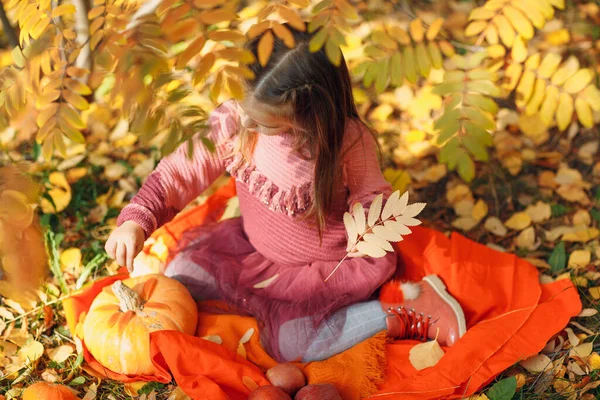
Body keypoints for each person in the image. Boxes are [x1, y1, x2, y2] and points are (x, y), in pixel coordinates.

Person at [105, 23, 466, 363]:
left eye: (264, 122)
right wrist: (137, 220)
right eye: (246, 106)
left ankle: (406, 310)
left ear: (310, 114)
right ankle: (256, 300)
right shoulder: (235, 122)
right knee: (181, 273)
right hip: (253, 251)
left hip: (323, 270)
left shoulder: (347, 144)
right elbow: (181, 170)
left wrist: (368, 225)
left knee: (293, 344)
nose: (248, 123)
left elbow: (372, 201)